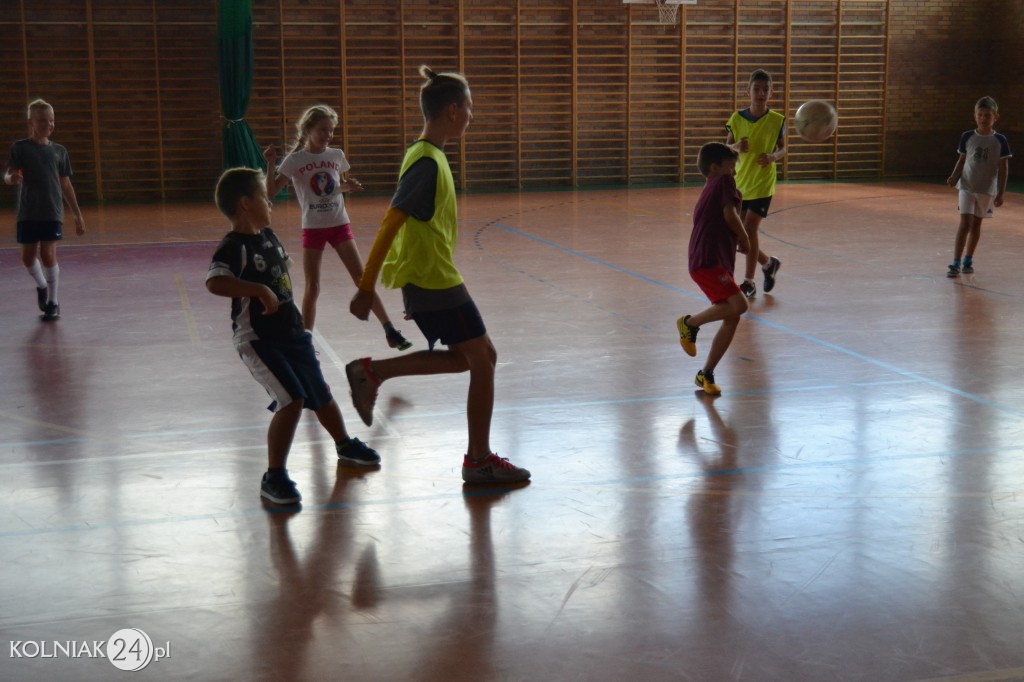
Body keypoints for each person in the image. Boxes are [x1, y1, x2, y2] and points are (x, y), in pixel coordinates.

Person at [345, 65, 530, 485]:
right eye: (469, 108)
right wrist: (365, 288)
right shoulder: (426, 161)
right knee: (483, 359)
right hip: (433, 279)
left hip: (433, 276)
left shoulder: (428, 154)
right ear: (452, 110)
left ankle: (372, 373)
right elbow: (391, 222)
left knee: (474, 358)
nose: (472, 115)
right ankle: (478, 461)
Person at [206, 167, 381, 505]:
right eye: (262, 196)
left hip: (292, 334)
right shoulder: (234, 247)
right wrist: (257, 290)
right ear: (245, 204)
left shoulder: (269, 237)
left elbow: (282, 282)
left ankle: (344, 444)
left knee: (319, 391)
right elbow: (215, 282)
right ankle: (274, 477)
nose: (269, 201)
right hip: (259, 339)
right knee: (292, 399)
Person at [263, 104, 412, 349]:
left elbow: (333, 186)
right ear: (309, 129)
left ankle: (390, 330)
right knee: (313, 287)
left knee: (362, 280)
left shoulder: (336, 155)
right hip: (312, 228)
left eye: (331, 131)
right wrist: (271, 163)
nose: (328, 136)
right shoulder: (295, 160)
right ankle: (305, 340)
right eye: (323, 130)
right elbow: (271, 191)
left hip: (339, 224)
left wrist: (348, 186)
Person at [676, 142, 751, 396]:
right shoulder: (722, 182)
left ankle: (705, 373)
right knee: (741, 305)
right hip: (709, 260)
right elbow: (730, 215)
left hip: (708, 259)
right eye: (731, 167)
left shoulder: (712, 185)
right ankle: (690, 323)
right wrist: (744, 237)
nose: (735, 173)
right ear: (715, 168)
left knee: (732, 315)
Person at [3, 99, 85, 321]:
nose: (48, 124)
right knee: (28, 258)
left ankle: (53, 302)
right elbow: (8, 174)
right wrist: (11, 178)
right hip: (28, 211)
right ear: (31, 122)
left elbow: (66, 185)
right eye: (42, 120)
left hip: (52, 210)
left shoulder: (59, 151)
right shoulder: (20, 148)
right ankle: (41, 286)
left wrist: (77, 214)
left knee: (48, 254)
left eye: (51, 120)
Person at [725, 69, 783, 298]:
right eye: (757, 89)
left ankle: (749, 281)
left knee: (749, 229)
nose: (761, 93)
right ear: (747, 91)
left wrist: (773, 157)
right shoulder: (737, 119)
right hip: (741, 182)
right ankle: (768, 264)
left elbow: (783, 148)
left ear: (771, 92)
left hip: (763, 183)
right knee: (739, 233)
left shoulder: (777, 120)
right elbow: (726, 147)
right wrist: (736, 147)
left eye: (765, 90)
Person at [946, 96, 1012, 277]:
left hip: (986, 189)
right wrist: (954, 176)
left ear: (995, 117)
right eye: (980, 115)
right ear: (975, 116)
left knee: (976, 225)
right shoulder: (967, 136)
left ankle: (968, 259)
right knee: (964, 223)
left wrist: (1001, 193)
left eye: (987, 115)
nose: (983, 118)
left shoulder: (1000, 140)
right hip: (967, 186)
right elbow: (961, 160)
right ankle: (956, 262)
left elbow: (1003, 168)